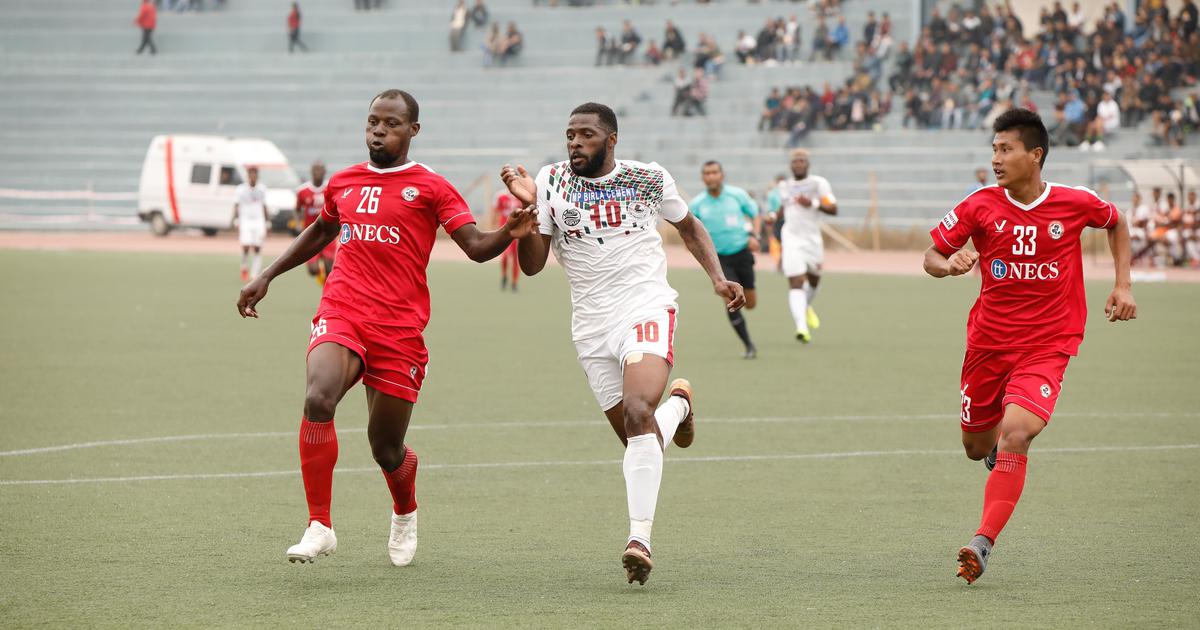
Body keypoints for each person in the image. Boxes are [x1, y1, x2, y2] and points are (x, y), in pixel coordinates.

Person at [236, 89, 536, 567]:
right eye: (373, 121)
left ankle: (404, 510)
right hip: (343, 308)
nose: (379, 130)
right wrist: (267, 274)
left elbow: (477, 246)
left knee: (387, 449)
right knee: (318, 396)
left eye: (391, 124)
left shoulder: (432, 187)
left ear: (413, 131)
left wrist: (509, 232)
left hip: (399, 328)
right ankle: (320, 525)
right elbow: (321, 229)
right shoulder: (344, 181)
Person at [499, 103, 744, 586]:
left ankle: (639, 540)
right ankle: (678, 409)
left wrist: (718, 278)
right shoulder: (550, 182)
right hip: (590, 326)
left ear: (611, 139)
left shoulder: (647, 177)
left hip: (646, 306)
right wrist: (526, 220)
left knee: (636, 413)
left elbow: (689, 226)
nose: (575, 143)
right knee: (640, 439)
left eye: (586, 135)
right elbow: (532, 265)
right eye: (570, 134)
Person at [923, 108, 1136, 585]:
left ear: (1034, 155)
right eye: (994, 150)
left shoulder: (1075, 202)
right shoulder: (979, 204)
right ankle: (993, 449)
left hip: (1048, 344)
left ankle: (981, 542)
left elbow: (1116, 222)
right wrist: (950, 264)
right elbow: (930, 256)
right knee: (976, 445)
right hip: (988, 345)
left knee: (1017, 432)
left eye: (1006, 149)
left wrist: (1123, 285)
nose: (996, 159)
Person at [689, 161, 762, 358]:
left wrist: (755, 236)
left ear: (722, 175)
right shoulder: (697, 204)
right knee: (729, 298)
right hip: (719, 260)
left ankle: (747, 334)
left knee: (751, 303)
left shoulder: (736, 195)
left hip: (742, 253)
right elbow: (690, 231)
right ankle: (749, 346)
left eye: (714, 172)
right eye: (707, 173)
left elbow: (755, 215)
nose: (711, 176)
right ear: (703, 178)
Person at [772, 149, 836, 343]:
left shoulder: (818, 183)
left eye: (802, 161)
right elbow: (784, 208)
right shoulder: (785, 186)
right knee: (796, 281)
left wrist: (813, 203)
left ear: (807, 164)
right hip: (791, 237)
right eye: (795, 161)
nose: (798, 164)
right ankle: (801, 327)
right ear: (791, 165)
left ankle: (805, 306)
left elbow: (833, 208)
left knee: (814, 281)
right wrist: (773, 216)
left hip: (812, 240)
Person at [295, 161, 333, 285]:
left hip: (328, 233)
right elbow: (297, 209)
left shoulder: (331, 187)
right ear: (311, 172)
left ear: (324, 171)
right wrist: (298, 223)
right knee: (313, 270)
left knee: (330, 269)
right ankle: (319, 273)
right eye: (315, 170)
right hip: (311, 234)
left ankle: (328, 298)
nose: (318, 172)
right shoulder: (302, 190)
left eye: (320, 169)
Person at [233, 166, 269, 283]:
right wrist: (236, 219)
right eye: (251, 174)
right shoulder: (241, 189)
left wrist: (267, 221)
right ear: (248, 176)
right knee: (246, 246)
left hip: (258, 220)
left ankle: (254, 274)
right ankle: (244, 267)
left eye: (255, 174)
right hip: (245, 220)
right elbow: (237, 205)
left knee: (257, 247)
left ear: (257, 176)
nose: (253, 177)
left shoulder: (262, 189)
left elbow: (264, 206)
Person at [490, 188, 522, 291]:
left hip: (517, 233)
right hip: (504, 232)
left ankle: (514, 282)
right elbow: (495, 212)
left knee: (516, 258)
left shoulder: (521, 196)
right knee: (505, 256)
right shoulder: (500, 196)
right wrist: (493, 230)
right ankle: (504, 276)